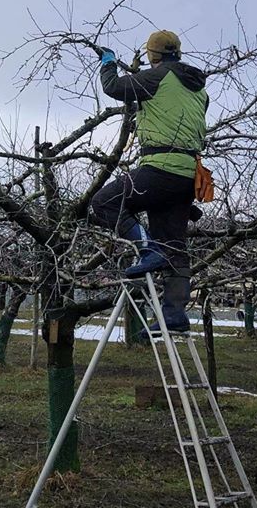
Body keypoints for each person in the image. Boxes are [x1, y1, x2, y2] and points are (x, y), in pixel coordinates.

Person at [89, 30, 208, 332]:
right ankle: (175, 314)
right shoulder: (199, 91)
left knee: (104, 202)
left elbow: (114, 87)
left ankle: (147, 248)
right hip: (187, 176)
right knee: (175, 245)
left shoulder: (158, 77)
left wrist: (108, 62)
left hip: (160, 167)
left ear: (153, 55)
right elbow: (165, 111)